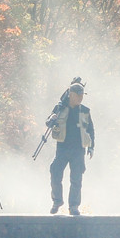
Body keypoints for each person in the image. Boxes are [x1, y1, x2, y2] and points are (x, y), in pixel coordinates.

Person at [45, 82, 95, 216]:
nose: (80, 98)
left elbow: (90, 129)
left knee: (76, 179)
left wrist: (91, 147)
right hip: (62, 148)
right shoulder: (60, 108)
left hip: (79, 150)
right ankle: (57, 201)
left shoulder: (85, 110)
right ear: (71, 94)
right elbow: (48, 123)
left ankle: (73, 206)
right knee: (55, 172)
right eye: (77, 95)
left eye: (82, 95)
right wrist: (52, 119)